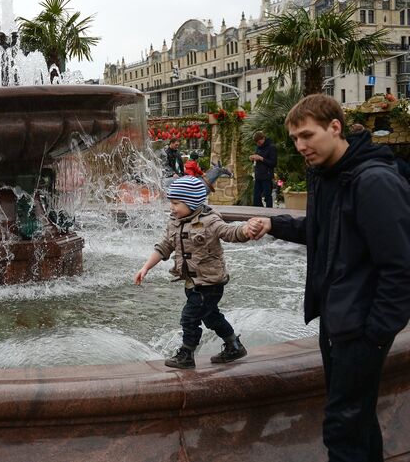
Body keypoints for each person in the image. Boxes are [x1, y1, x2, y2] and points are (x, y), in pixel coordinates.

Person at [248, 94, 410, 462]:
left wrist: (376, 334)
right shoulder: (329, 176)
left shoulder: (374, 182)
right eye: (294, 139)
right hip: (338, 320)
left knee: (342, 426)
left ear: (335, 127)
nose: (300, 146)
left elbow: (401, 267)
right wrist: (275, 224)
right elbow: (322, 229)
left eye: (307, 135)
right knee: (356, 421)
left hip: (360, 328)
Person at [133, 176, 258, 369]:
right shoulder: (175, 221)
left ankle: (187, 354)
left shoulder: (210, 221)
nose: (172, 208)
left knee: (189, 317)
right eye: (171, 203)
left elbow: (230, 232)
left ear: (191, 202)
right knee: (211, 317)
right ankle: (234, 345)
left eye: (176, 203)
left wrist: (246, 230)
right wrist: (145, 267)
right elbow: (164, 246)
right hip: (192, 283)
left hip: (210, 283)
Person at [249, 130, 277, 208]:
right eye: (257, 143)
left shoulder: (272, 147)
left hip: (267, 176)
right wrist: (253, 158)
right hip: (258, 176)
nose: (258, 144)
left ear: (263, 138)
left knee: (267, 197)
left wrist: (261, 158)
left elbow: (273, 163)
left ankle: (269, 213)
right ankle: (259, 212)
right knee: (256, 197)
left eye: (259, 142)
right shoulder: (259, 147)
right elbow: (258, 159)